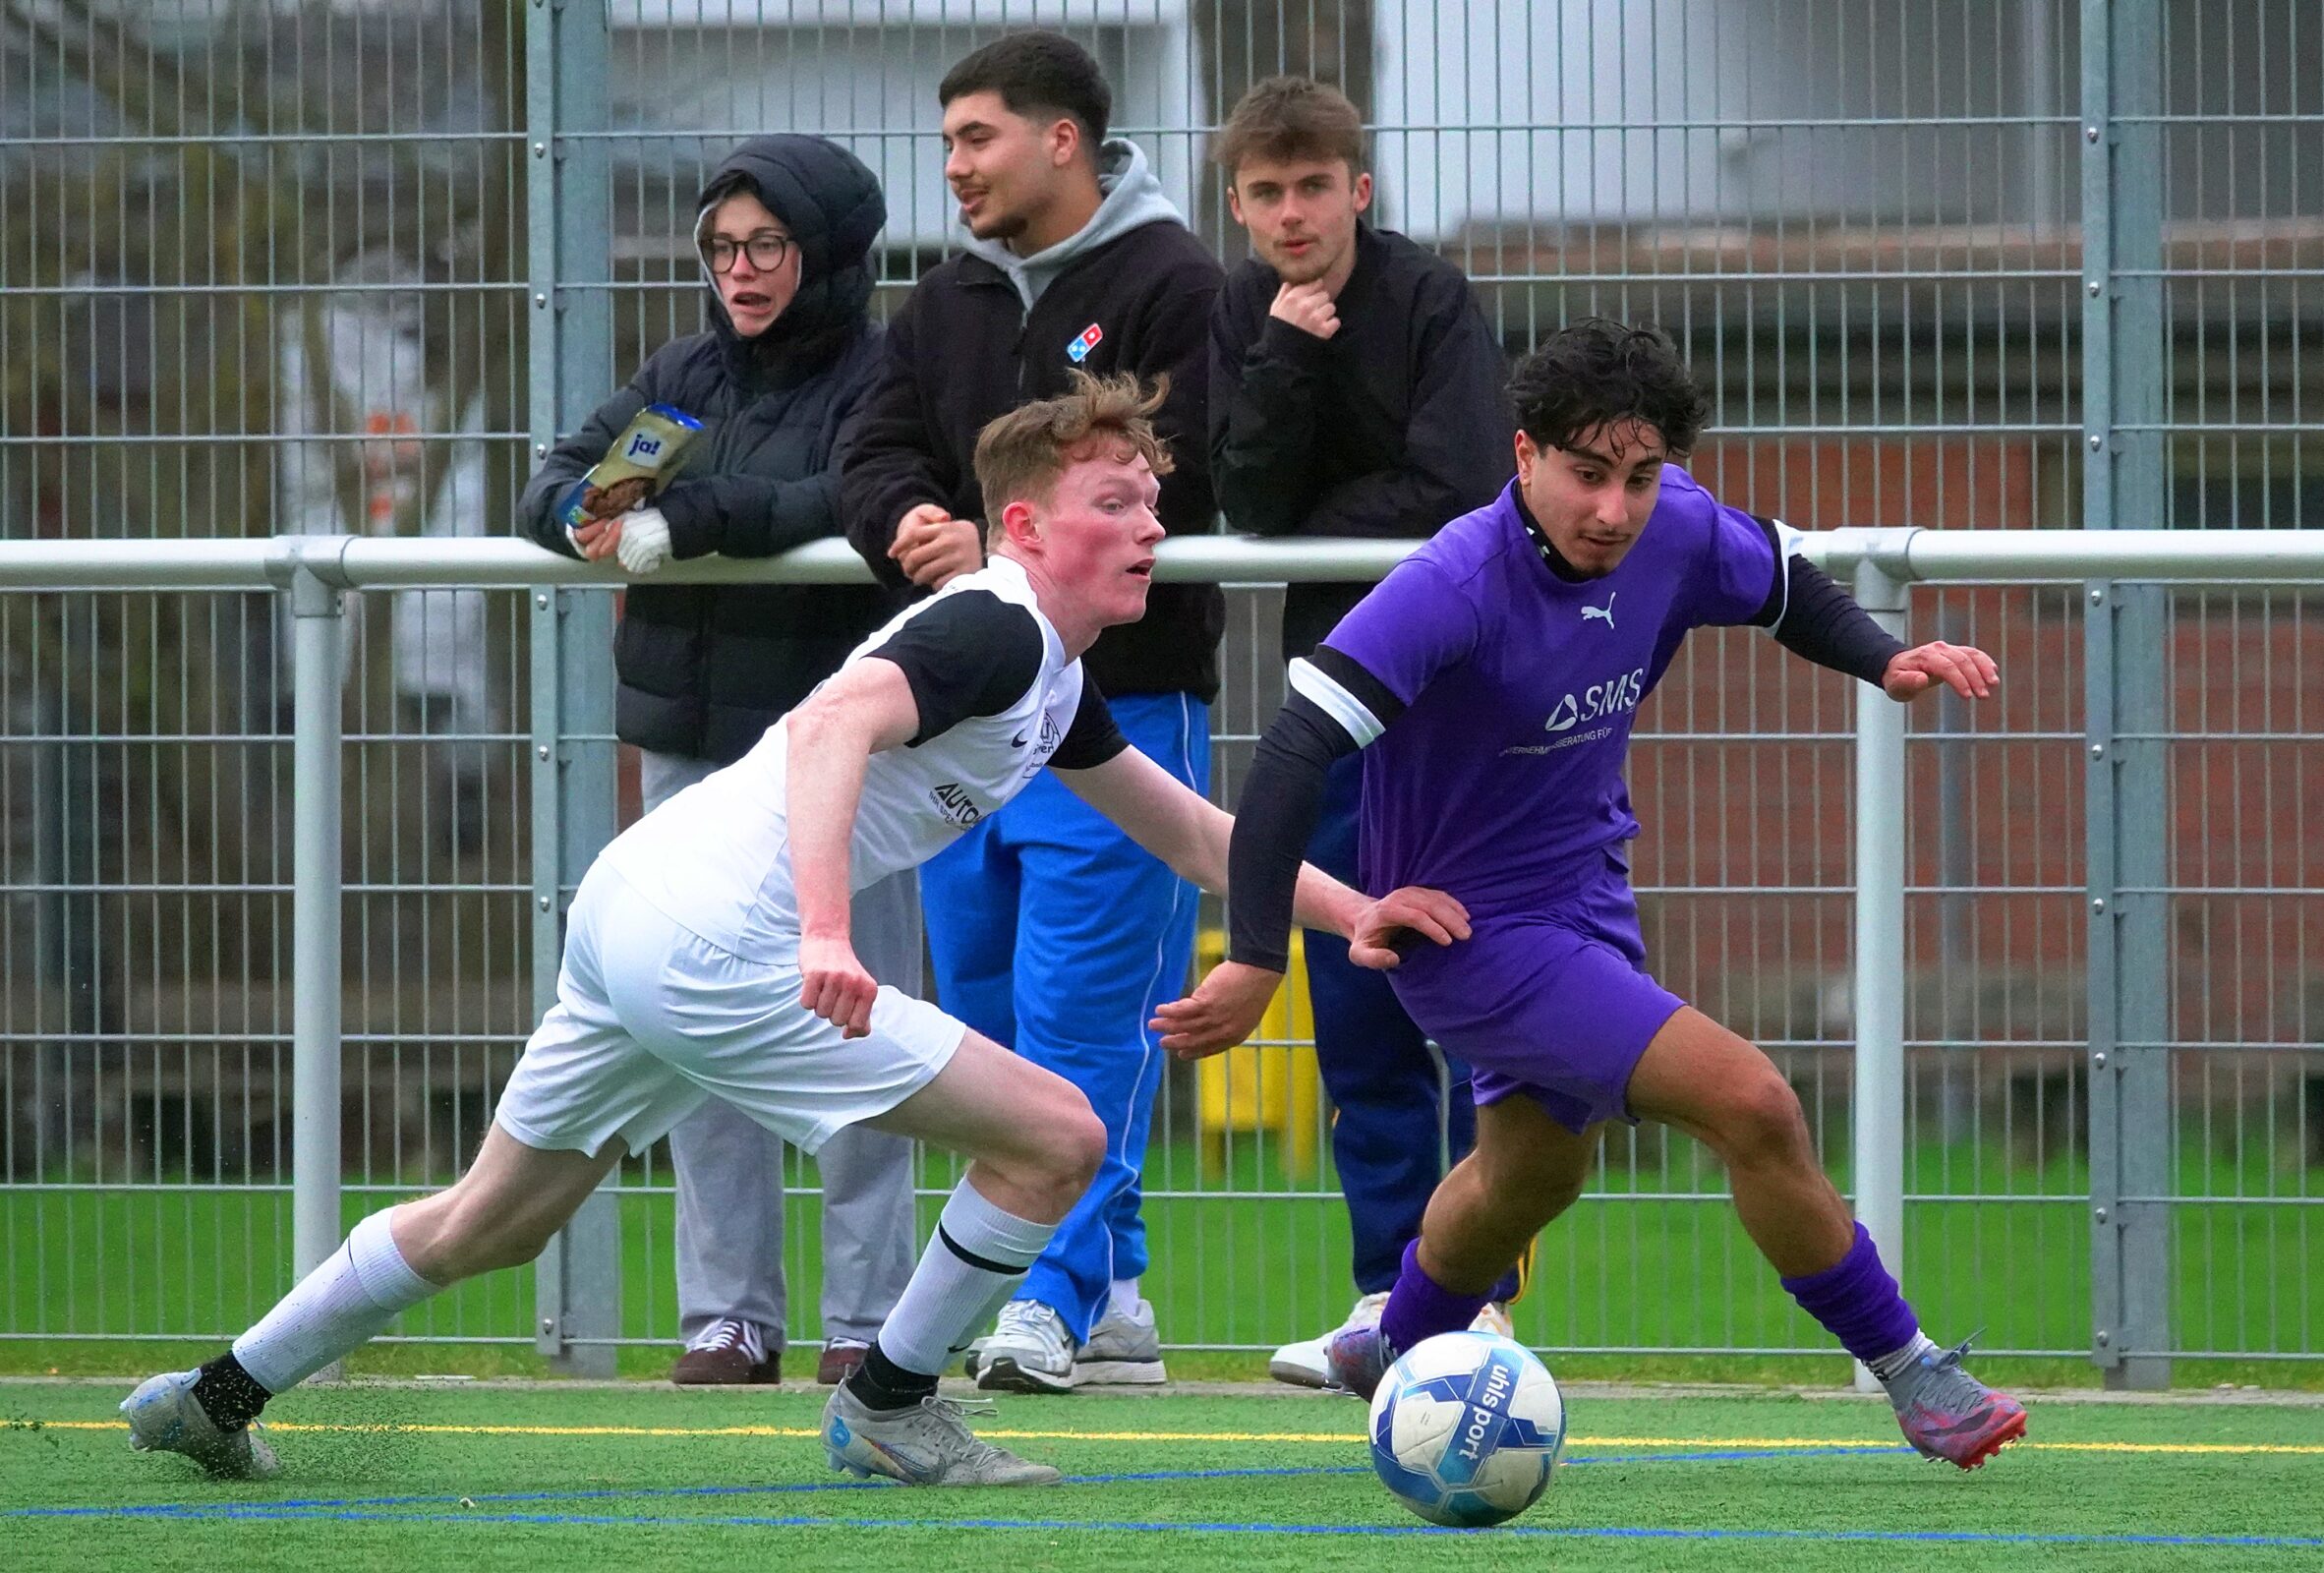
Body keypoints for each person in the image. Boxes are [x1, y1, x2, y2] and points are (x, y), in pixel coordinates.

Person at [119, 373, 1461, 1488]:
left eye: (1152, 503)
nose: (1149, 525)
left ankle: (214, 1395)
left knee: (491, 1223)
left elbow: (1197, 834)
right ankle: (888, 1407)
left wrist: (1356, 911)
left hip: (635, 904)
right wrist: (827, 932)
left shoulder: (1049, 672)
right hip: (722, 937)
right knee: (1059, 1138)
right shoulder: (992, 629)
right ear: (1025, 525)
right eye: (1115, 502)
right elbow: (832, 723)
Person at [1157, 320, 2030, 1471]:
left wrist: (1882, 656)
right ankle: (1915, 1374)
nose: (1614, 508)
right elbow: (1291, 751)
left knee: (1531, 1172)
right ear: (1524, 455)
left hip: (1587, 896)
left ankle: (1395, 1344)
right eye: (1586, 473)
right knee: (1755, 1102)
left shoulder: (1672, 525)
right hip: (1470, 932)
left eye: (1640, 476)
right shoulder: (1453, 583)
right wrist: (1256, 957)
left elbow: (1779, 581)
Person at [841, 30, 1225, 1394]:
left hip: (1129, 703)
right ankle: (1104, 1289)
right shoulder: (943, 298)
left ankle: (1048, 1300)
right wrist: (913, 520)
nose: (953, 167)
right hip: (970, 729)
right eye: (948, 141)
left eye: (976, 138)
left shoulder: (1174, 281)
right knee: (990, 1023)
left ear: (1063, 140)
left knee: (1081, 1018)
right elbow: (869, 446)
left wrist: (1006, 545)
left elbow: (1191, 473)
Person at [514, 134, 916, 1389]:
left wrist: (690, 518)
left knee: (861, 1021)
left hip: (838, 751)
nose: (740, 270)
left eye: (768, 246)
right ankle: (727, 1316)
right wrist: (584, 514)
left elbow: (842, 499)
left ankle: (872, 1320)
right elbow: (556, 481)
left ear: (827, 253)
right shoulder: (682, 373)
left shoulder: (884, 374)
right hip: (689, 748)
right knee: (700, 1025)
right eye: (723, 247)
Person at [1207, 75, 1523, 1386]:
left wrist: (1313, 515)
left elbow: (1461, 487)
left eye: (1313, 187)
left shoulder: (1430, 299)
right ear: (1238, 204)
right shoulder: (1242, 311)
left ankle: (1480, 1296)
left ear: (1360, 189)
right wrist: (1285, 357)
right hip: (1331, 685)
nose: (1292, 213)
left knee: (1481, 987)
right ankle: (1393, 1294)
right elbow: (1244, 499)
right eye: (1266, 193)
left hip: (1456, 684)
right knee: (1355, 992)